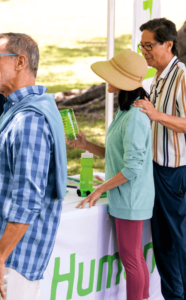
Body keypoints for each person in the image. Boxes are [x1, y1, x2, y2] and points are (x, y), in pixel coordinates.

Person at [0, 33, 67, 300]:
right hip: (6, 254)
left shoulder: (28, 120)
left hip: (13, 258)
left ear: (20, 62)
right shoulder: (18, 110)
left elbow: (27, 200)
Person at [70, 50, 154, 300]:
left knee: (132, 260)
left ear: (122, 82)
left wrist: (100, 189)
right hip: (126, 196)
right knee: (135, 258)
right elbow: (117, 155)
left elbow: (132, 168)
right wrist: (87, 146)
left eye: (111, 75)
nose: (106, 80)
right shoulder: (125, 111)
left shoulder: (135, 116)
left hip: (130, 198)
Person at [133, 18, 186, 300]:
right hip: (154, 170)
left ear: (168, 43)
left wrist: (156, 115)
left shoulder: (182, 77)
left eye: (149, 45)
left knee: (178, 244)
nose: (144, 51)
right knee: (163, 243)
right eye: (142, 46)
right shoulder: (156, 78)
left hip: (174, 173)